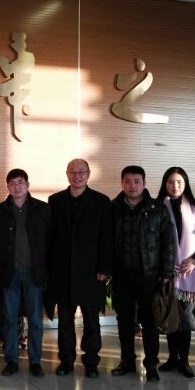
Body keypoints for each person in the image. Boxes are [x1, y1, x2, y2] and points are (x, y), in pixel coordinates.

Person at [47, 159, 113, 378]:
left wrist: (104, 267)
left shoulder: (101, 202)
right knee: (65, 321)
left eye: (81, 172)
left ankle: (91, 362)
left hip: (91, 271)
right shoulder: (55, 201)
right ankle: (66, 361)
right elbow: (50, 237)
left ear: (88, 174)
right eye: (73, 172)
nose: (77, 176)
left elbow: (107, 238)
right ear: (67, 174)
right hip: (63, 271)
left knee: (91, 321)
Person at [111, 166, 175, 381]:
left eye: (137, 181)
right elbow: (105, 241)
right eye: (128, 181)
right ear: (122, 184)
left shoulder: (158, 209)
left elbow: (168, 242)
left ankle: (151, 364)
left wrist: (167, 272)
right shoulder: (113, 208)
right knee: (124, 321)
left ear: (144, 183)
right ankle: (127, 361)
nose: (132, 186)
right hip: (121, 275)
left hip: (149, 275)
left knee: (150, 322)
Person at [0, 168, 52, 377]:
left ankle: (35, 361)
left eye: (20, 182)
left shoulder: (42, 209)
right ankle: (12, 361)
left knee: (35, 319)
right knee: (10, 318)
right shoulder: (0, 211)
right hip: (11, 272)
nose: (16, 187)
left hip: (34, 273)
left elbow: (49, 240)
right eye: (12, 183)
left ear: (27, 185)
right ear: (7, 187)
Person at [155, 167, 195, 379]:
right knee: (170, 317)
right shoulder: (157, 207)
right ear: (165, 184)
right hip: (167, 274)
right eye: (170, 182)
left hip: (190, 276)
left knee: (186, 319)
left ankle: (184, 360)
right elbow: (152, 241)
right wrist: (165, 265)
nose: (175, 186)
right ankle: (172, 358)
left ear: (185, 184)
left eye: (179, 182)